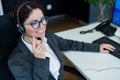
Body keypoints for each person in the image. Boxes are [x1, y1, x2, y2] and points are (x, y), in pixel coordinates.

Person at [8, 1, 115, 80]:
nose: (42, 27)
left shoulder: (48, 36)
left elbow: (70, 44)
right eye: (34, 23)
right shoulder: (15, 62)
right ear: (20, 27)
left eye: (42, 20)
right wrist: (40, 60)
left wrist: (97, 47)